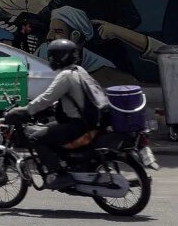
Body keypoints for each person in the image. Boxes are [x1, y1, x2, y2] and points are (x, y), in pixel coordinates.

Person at [7, 39, 110, 186]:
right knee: (50, 130)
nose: (50, 59)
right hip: (89, 121)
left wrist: (25, 111)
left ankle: (58, 174)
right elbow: (70, 98)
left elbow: (46, 98)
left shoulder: (65, 76)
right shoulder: (80, 71)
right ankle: (66, 164)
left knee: (35, 138)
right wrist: (51, 109)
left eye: (51, 56)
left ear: (59, 57)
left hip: (77, 125)